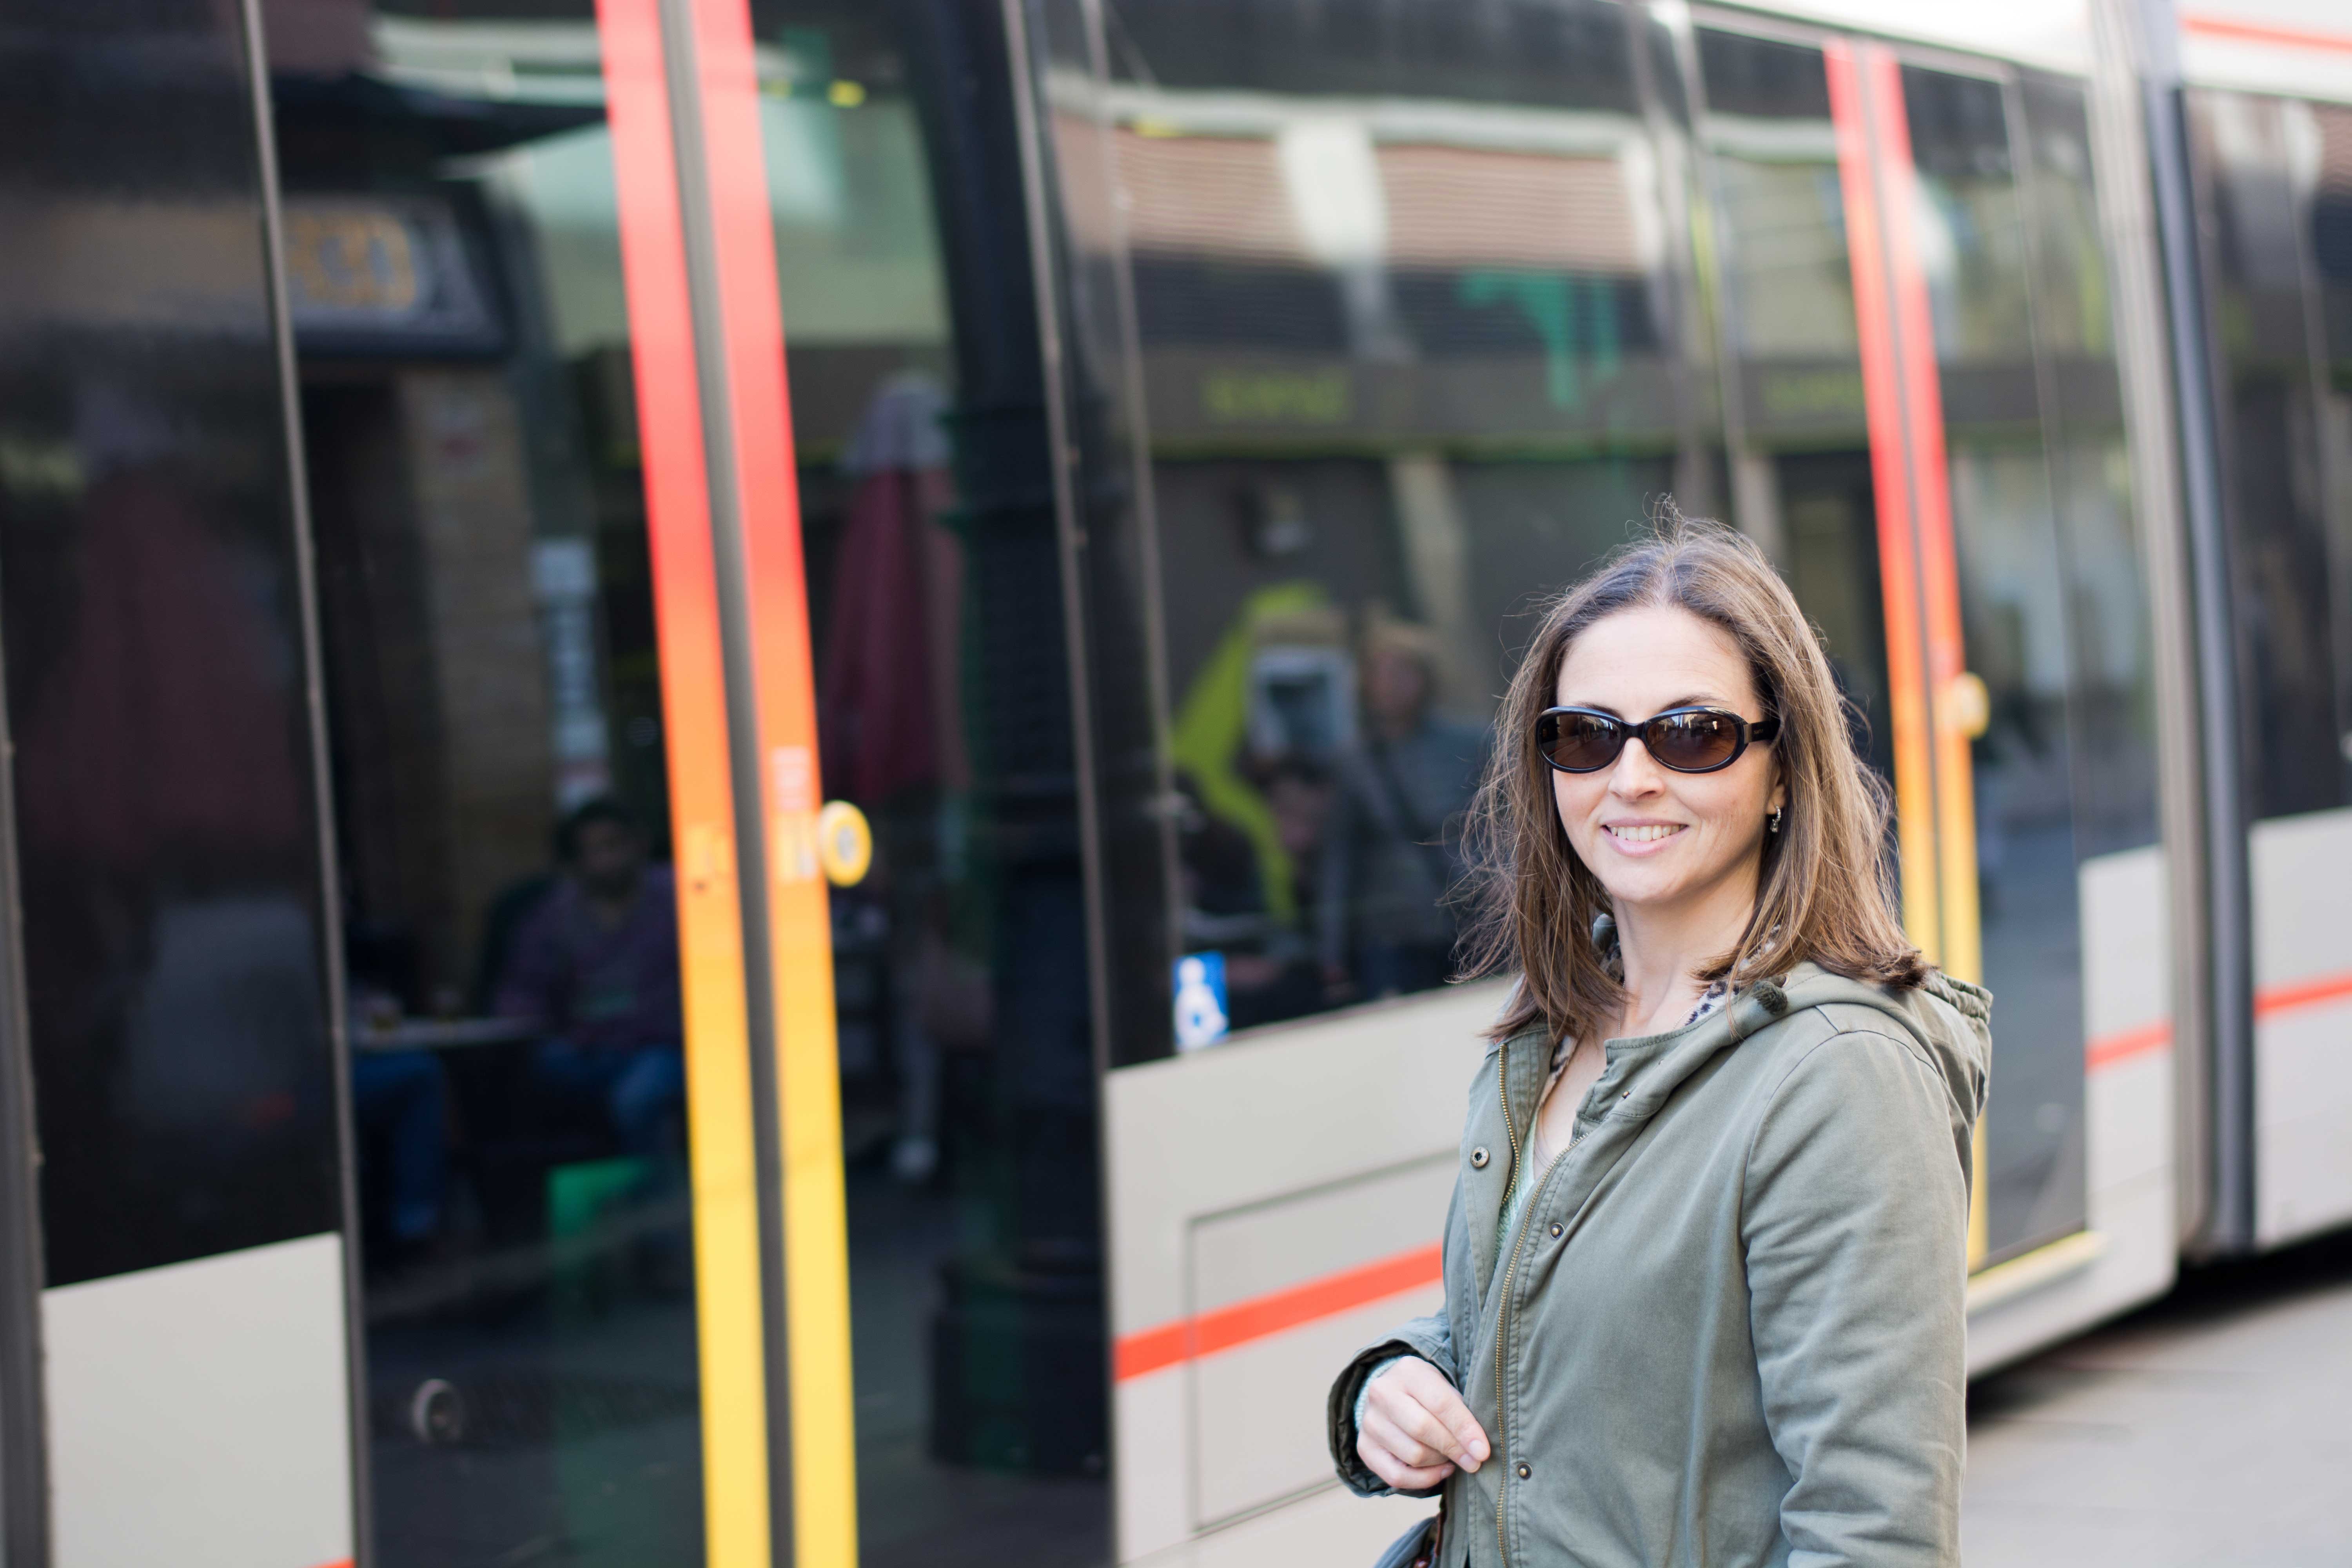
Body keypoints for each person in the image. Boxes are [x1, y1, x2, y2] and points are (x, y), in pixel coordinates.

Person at [1328, 519, 1989, 1567]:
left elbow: (1874, 1532)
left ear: (1782, 769)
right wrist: (1392, 1383)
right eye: (1587, 735)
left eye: (1692, 734)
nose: (1631, 777)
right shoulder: (1550, 1032)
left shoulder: (1838, 1078)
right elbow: (1535, 1324)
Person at [495, 798, 684, 1158]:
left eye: (615, 845)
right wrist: (527, 1019)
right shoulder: (554, 914)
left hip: (663, 1045)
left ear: (640, 845)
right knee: (538, 1074)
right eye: (593, 850)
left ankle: (653, 1198)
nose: (607, 860)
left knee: (637, 1099)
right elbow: (522, 988)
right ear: (576, 861)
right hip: (586, 1049)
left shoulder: (677, 897)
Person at [1320, 615, 1488, 1000]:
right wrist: (1332, 948)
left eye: (1403, 672)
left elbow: (1506, 828)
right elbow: (1340, 856)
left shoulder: (1471, 743)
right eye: (1380, 673)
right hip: (1391, 929)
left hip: (1468, 916)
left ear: (1427, 678)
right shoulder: (1356, 760)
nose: (1391, 684)